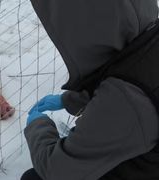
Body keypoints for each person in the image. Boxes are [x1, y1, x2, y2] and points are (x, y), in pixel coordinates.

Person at [22, 1, 159, 180]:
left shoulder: (127, 101)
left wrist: (37, 127)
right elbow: (132, 72)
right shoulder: (151, 40)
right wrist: (70, 100)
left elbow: (58, 171)